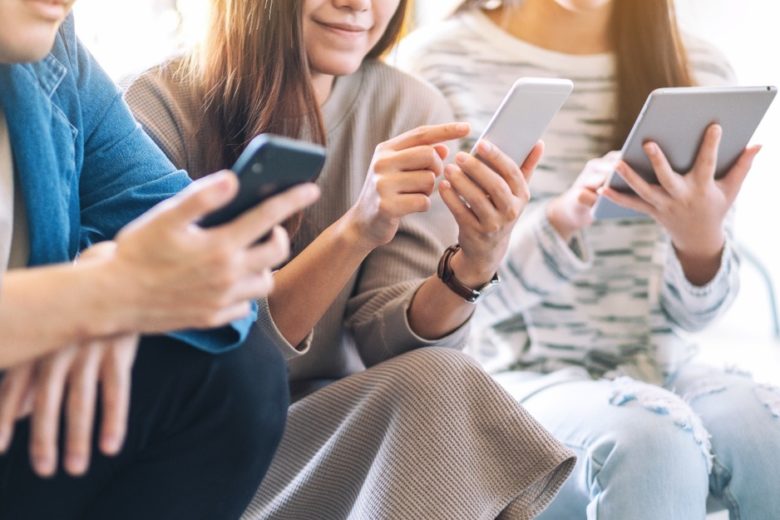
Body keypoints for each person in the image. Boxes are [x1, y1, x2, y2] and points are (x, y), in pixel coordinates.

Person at [125, 0, 577, 518]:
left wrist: (474, 263)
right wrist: (355, 231)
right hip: (201, 449)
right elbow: (196, 360)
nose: (360, 4)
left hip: (337, 434)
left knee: (441, 379)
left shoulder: (410, 108)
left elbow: (397, 348)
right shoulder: (155, 106)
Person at [397, 0, 780, 518]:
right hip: (503, 377)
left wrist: (700, 241)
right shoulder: (437, 64)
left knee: (767, 432)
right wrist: (556, 226)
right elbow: (428, 314)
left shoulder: (699, 69)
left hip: (660, 364)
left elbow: (699, 316)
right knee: (652, 441)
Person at [0, 1, 319, 517]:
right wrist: (97, 297)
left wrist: (114, 294)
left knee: (233, 374)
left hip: (19, 418)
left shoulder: (53, 54)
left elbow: (201, 255)